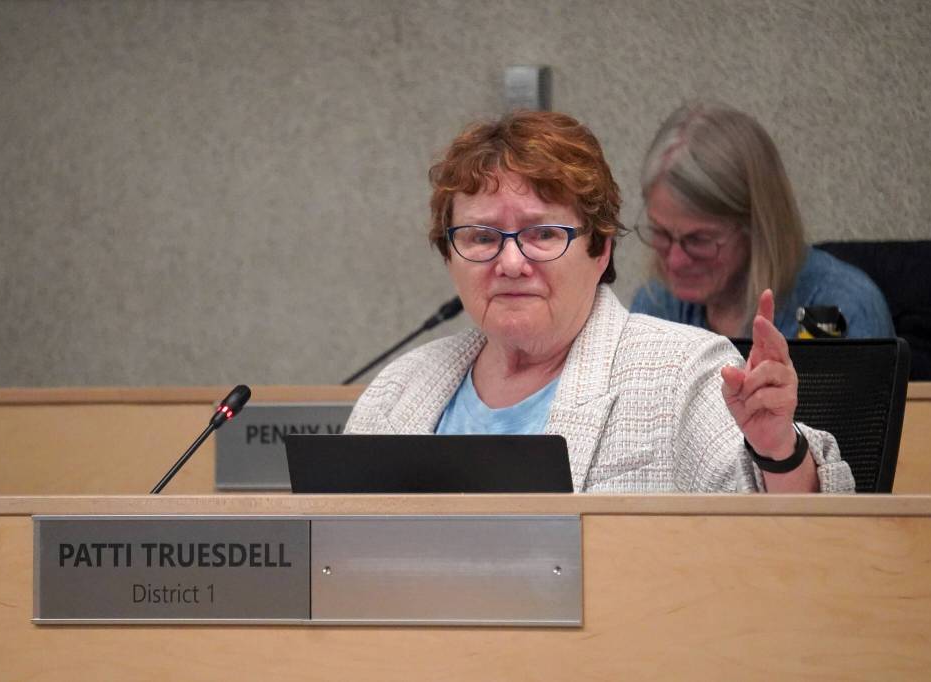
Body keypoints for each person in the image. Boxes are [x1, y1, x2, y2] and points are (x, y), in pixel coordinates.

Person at [346, 110, 854, 493]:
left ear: (600, 247)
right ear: (448, 253)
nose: (511, 262)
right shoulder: (399, 389)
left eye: (542, 234)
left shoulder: (684, 371)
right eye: (481, 238)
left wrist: (778, 453)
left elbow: (795, 546)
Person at [631, 101, 894, 339]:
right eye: (661, 233)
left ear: (757, 227)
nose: (675, 261)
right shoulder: (657, 308)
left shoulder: (838, 306)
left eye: (699, 240)